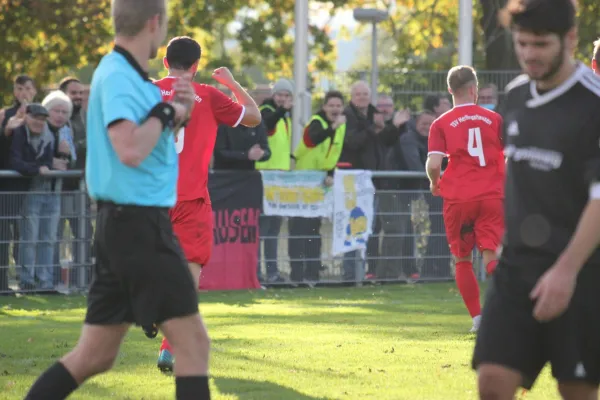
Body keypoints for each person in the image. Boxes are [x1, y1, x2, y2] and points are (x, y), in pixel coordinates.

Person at [23, 1, 212, 399]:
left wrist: (178, 112)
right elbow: (129, 147)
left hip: (122, 224)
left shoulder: (125, 74)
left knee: (95, 354)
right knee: (192, 345)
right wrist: (167, 109)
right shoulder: (120, 75)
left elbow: (145, 134)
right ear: (154, 24)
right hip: (138, 223)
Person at [472, 0, 600, 398]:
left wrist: (566, 271)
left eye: (541, 44)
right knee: (492, 382)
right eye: (522, 43)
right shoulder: (515, 97)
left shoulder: (593, 104)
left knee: (576, 390)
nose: (529, 54)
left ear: (570, 39)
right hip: (517, 268)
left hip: (582, 271)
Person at [153, 36, 261, 373]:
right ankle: (169, 345)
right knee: (189, 274)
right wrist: (231, 83)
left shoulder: (146, 90)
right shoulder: (209, 95)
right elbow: (254, 117)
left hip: (150, 197)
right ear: (197, 65)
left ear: (165, 61)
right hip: (191, 199)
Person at [426, 65, 504, 333]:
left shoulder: (441, 123)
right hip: (492, 195)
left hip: (459, 197)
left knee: (462, 259)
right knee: (491, 254)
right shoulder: (494, 119)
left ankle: (478, 320)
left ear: (450, 90)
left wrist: (435, 183)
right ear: (474, 88)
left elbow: (434, 163)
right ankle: (514, 304)